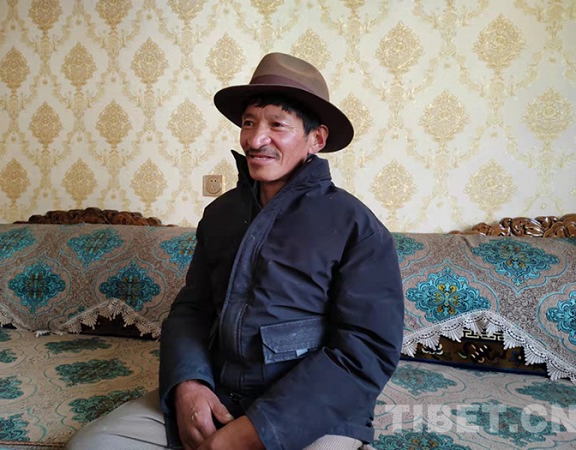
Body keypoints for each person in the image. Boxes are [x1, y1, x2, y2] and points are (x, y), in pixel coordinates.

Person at [67, 52, 404, 450]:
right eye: (248, 123)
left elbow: (365, 350)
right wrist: (189, 385)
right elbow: (192, 310)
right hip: (220, 393)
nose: (255, 140)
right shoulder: (221, 214)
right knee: (92, 445)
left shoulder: (356, 227)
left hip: (313, 412)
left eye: (277, 124)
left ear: (316, 139)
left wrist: (255, 431)